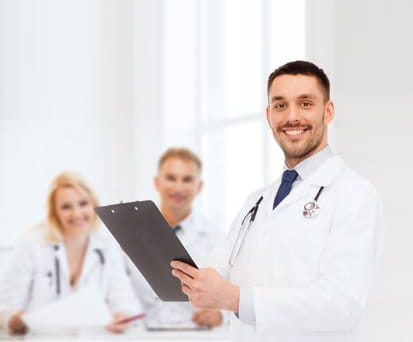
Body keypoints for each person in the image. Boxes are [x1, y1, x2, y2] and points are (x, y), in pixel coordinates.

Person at [170, 60, 384, 341]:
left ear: (327, 111)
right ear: (269, 115)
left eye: (305, 103)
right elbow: (218, 269)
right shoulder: (257, 200)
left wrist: (236, 299)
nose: (292, 117)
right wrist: (157, 252)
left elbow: (341, 305)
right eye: (281, 105)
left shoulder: (354, 194)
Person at [0, 171, 144, 334]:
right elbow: (4, 306)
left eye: (83, 203)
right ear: (55, 212)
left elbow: (125, 301)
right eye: (66, 207)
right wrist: (14, 319)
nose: (77, 213)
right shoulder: (32, 245)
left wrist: (122, 315)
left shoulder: (108, 247)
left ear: (93, 204)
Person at [127, 147, 225, 328]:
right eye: (171, 178)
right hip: (141, 334)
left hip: (194, 335)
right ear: (157, 182)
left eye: (187, 179)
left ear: (199, 186)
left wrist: (220, 315)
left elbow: (232, 295)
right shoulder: (129, 233)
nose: (178, 187)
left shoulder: (217, 238)